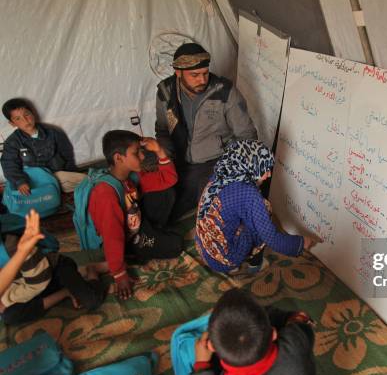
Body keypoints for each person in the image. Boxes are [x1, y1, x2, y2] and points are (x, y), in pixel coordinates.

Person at [155, 42, 257, 218]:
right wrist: (165, 158)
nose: (202, 80)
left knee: (214, 211)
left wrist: (233, 170)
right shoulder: (165, 91)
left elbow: (247, 136)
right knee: (161, 206)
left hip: (214, 162)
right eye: (194, 75)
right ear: (178, 72)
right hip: (180, 161)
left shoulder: (224, 91)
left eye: (205, 73)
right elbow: (162, 130)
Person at [194, 140, 321, 275]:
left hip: (203, 244)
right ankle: (253, 263)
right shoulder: (248, 193)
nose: (269, 174)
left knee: (251, 213)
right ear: (252, 166)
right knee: (265, 210)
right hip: (222, 259)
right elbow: (272, 238)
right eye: (265, 169)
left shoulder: (223, 171)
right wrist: (302, 243)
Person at [88, 131, 182, 300]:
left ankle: (148, 239)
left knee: (166, 192)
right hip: (126, 238)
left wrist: (159, 151)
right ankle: (109, 263)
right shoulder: (106, 193)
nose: (142, 155)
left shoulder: (129, 176)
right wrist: (119, 275)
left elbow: (168, 179)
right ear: (119, 158)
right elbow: (112, 235)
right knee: (175, 245)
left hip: (136, 224)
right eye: (136, 152)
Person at [186, 288, 320, 375]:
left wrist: (201, 364)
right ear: (273, 334)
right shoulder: (295, 344)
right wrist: (296, 318)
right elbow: (302, 325)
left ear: (211, 346)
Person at [0, 210, 104, 325]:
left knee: (92, 300)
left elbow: (38, 282)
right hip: (26, 285)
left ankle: (91, 269)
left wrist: (7, 300)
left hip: (52, 271)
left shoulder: (11, 247)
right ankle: (66, 291)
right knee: (10, 316)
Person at [1, 98, 85, 194]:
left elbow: (67, 154)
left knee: (86, 181)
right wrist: (20, 182)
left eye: (27, 114)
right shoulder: (12, 142)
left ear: (33, 113)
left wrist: (71, 173)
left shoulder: (53, 132)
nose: (25, 120)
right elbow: (9, 165)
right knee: (25, 192)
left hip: (56, 176)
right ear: (12, 123)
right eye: (18, 118)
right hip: (33, 179)